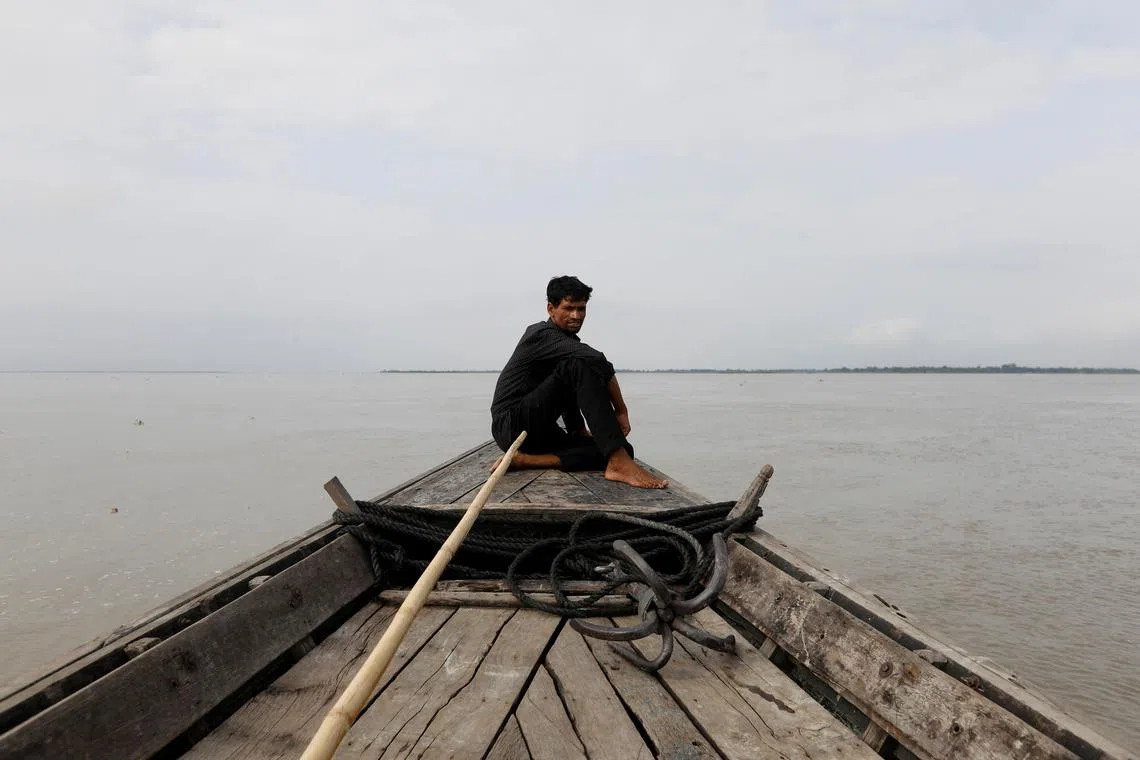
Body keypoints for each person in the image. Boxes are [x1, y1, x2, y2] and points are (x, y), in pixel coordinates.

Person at [489, 275, 668, 489]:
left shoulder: (566, 343)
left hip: (539, 432)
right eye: (568, 308)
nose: (576, 315)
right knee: (579, 363)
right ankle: (618, 463)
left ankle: (526, 460)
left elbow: (565, 389)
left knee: (621, 449)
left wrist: (579, 431)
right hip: (512, 425)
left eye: (581, 309)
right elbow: (596, 360)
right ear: (550, 309)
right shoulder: (540, 334)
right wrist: (621, 410)